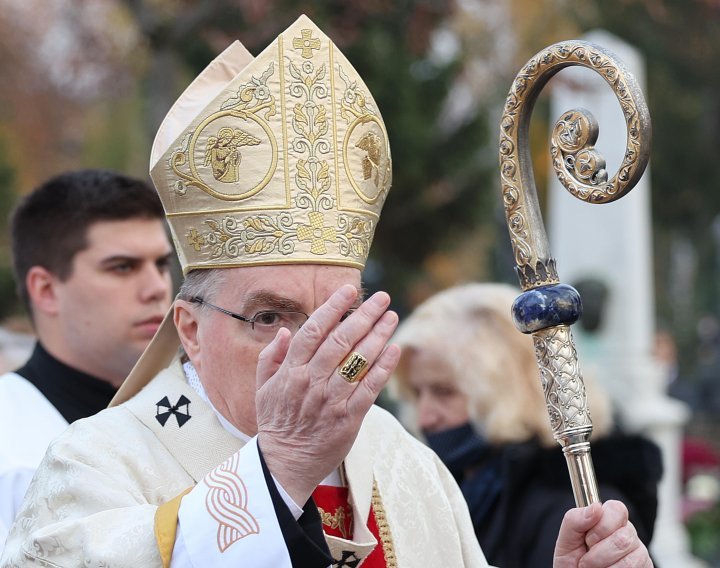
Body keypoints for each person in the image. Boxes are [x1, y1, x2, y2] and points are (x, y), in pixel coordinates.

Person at [1, 15, 653, 567]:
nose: (316, 346)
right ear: (190, 329)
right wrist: (277, 475)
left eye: (340, 316)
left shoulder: (402, 460)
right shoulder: (94, 463)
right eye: (269, 316)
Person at [391, 282, 664, 567]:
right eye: (416, 393)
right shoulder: (456, 486)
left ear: (509, 389)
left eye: (444, 392)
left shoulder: (573, 505)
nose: (424, 418)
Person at [0, 169, 173, 544]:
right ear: (46, 290)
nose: (157, 287)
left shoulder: (195, 415)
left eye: (161, 264)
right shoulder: (8, 446)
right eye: (123, 267)